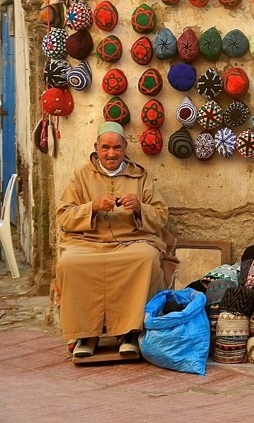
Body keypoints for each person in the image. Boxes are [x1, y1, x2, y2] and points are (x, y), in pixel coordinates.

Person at [55, 121, 170, 357]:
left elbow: (161, 215)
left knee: (146, 258)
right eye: (105, 148)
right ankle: (86, 335)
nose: (111, 153)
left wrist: (139, 208)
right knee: (69, 263)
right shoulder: (81, 176)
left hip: (132, 242)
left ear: (124, 147)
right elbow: (64, 215)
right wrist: (92, 207)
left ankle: (130, 333)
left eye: (116, 147)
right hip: (88, 243)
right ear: (96, 148)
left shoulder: (139, 176)